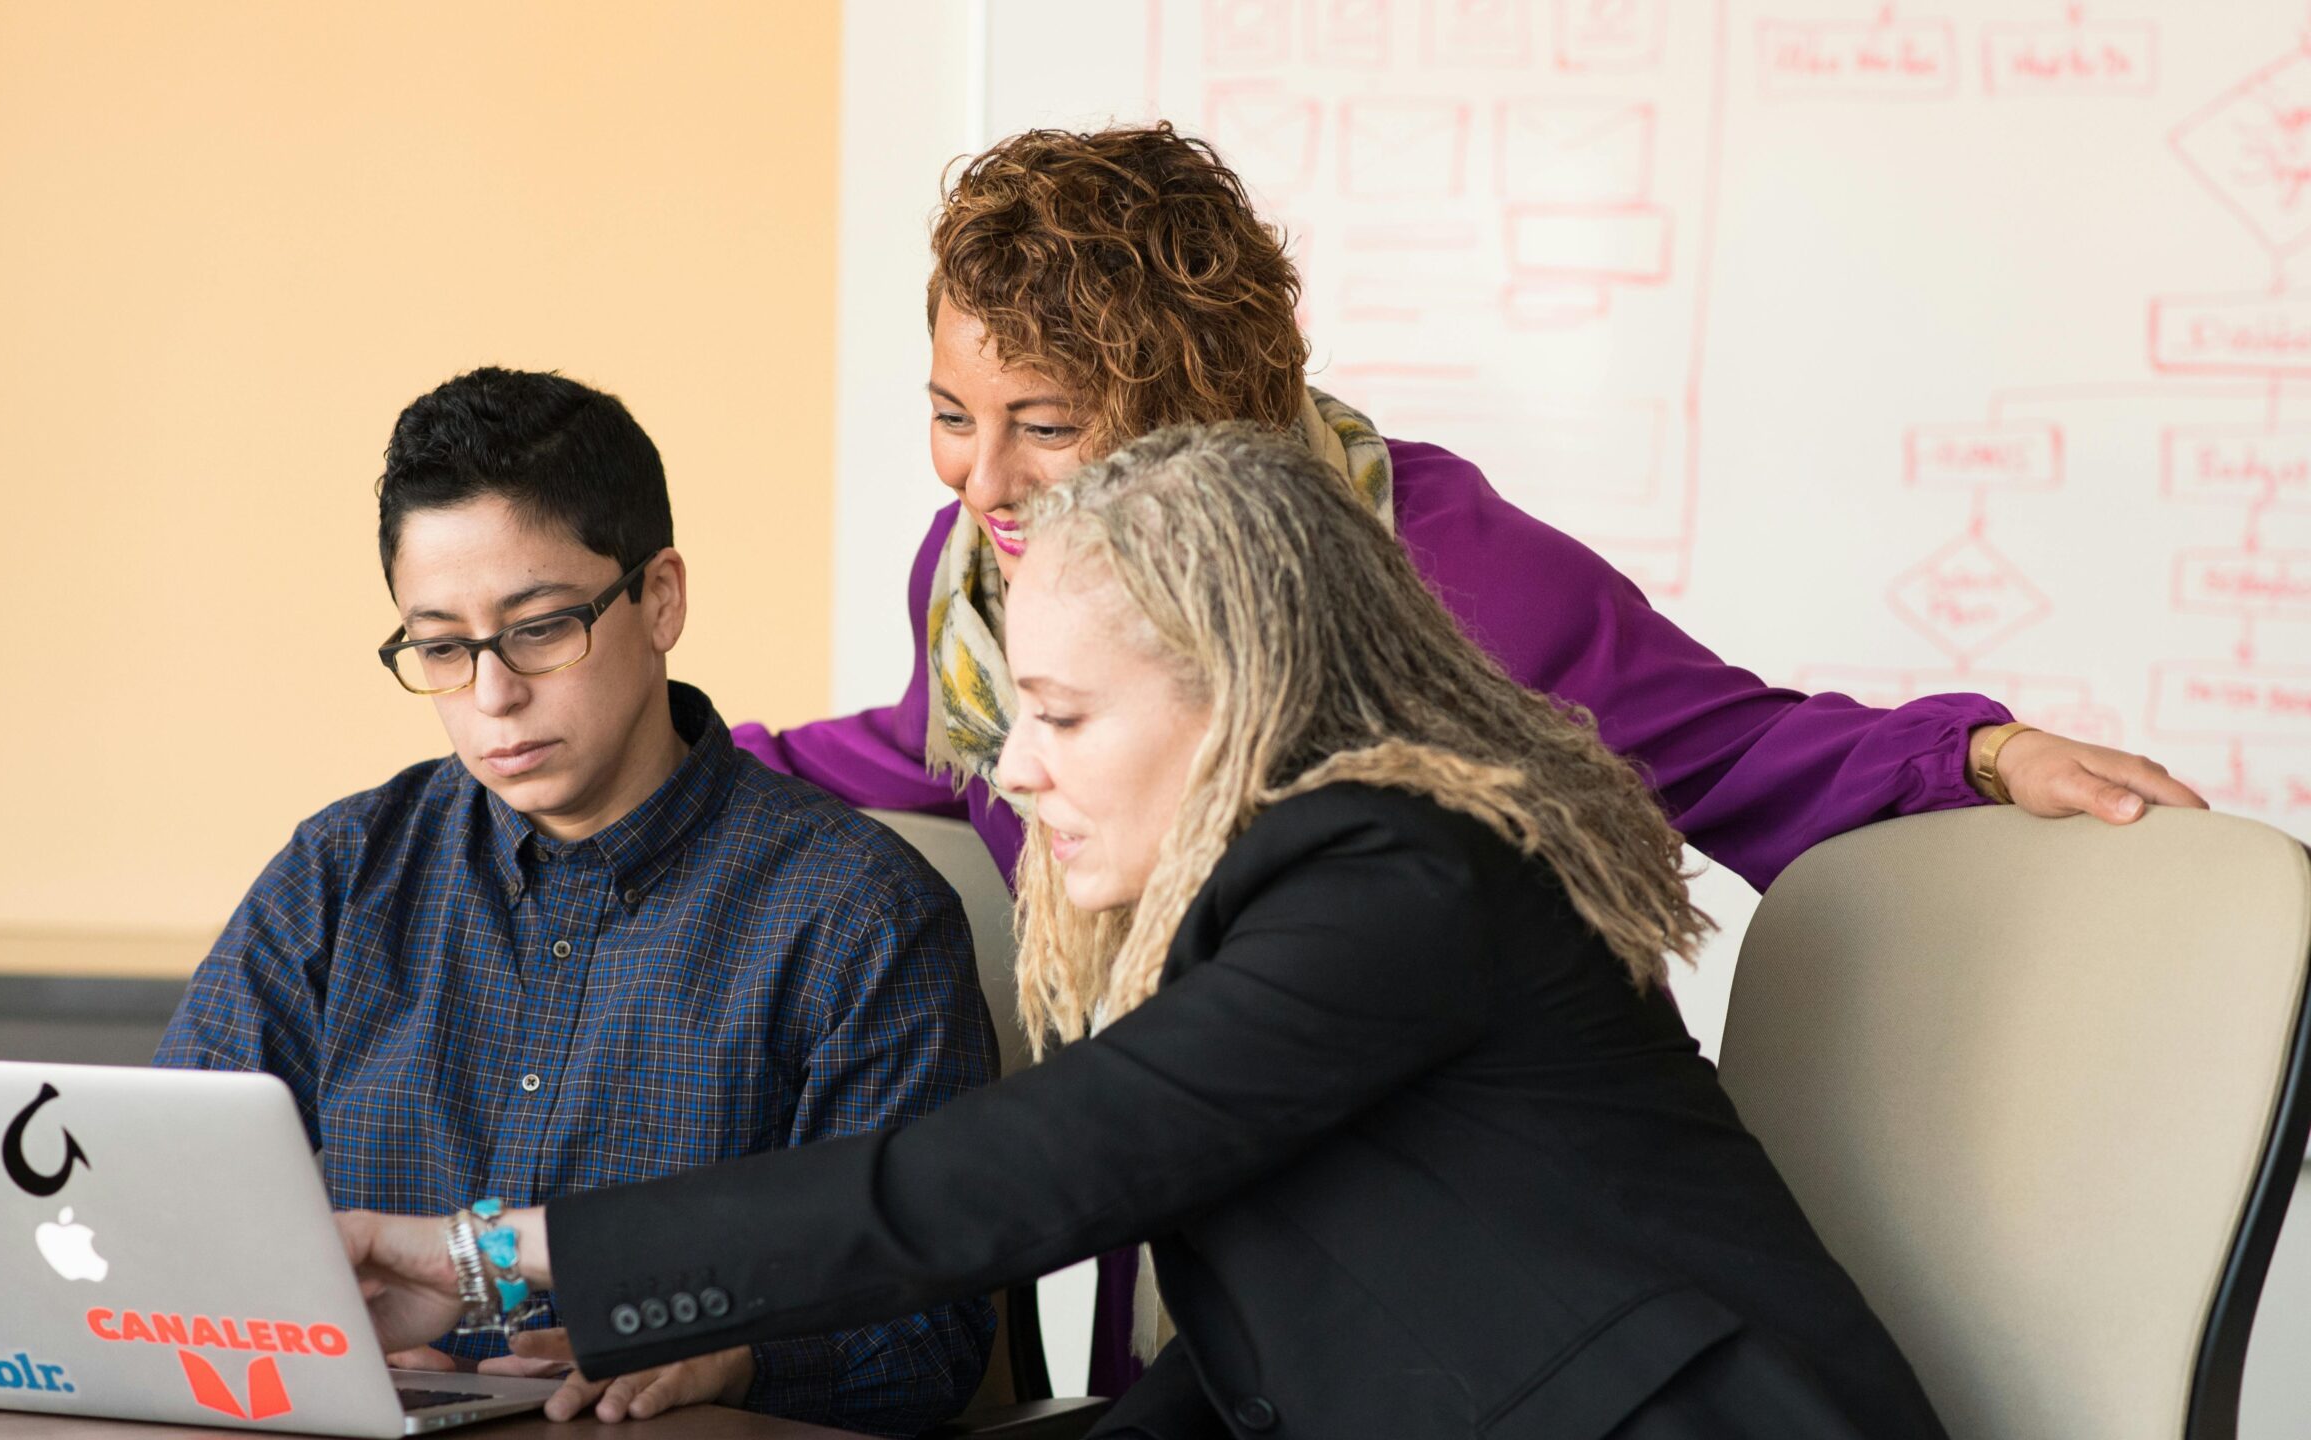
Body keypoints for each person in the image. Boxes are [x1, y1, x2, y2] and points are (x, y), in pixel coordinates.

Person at [727, 124, 2205, 1389]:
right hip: (1231, 1265)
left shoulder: (1448, 566)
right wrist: (679, 762)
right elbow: (943, 754)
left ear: (1191, 411)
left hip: (1467, 1278)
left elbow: (1730, 747)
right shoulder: (987, 579)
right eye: (947, 415)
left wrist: (1984, 756)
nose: (983, 479)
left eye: (1043, 425)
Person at [341, 423, 1954, 1438]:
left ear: (1236, 690)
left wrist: (482, 1255)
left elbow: (1012, 1177)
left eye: (1054, 714)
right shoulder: (1293, 896)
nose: (1013, 772)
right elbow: (1275, 1356)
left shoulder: (1398, 882)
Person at [156, 367, 998, 1436]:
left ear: (660, 599)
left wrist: (737, 1358)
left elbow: (929, 1338)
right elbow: (169, 1201)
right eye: (440, 647)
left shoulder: (857, 916)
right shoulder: (342, 874)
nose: (493, 693)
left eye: (540, 627)